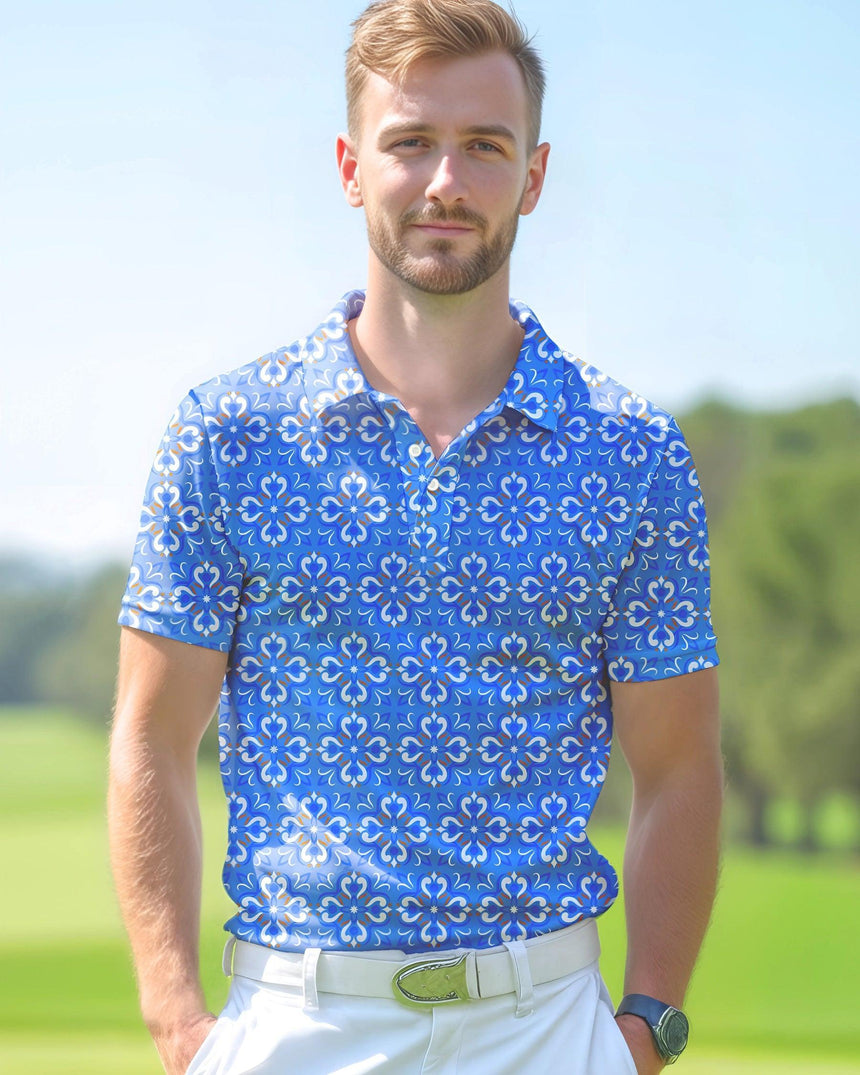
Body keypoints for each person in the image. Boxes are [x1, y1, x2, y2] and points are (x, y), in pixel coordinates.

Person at [108, 2, 723, 1073]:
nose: (445, 181)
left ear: (531, 177)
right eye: (410, 143)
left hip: (546, 1027)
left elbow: (677, 765)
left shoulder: (629, 453)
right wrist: (179, 1026)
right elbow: (152, 736)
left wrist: (645, 1031)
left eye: (484, 147)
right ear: (351, 167)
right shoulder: (226, 435)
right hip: (295, 1023)